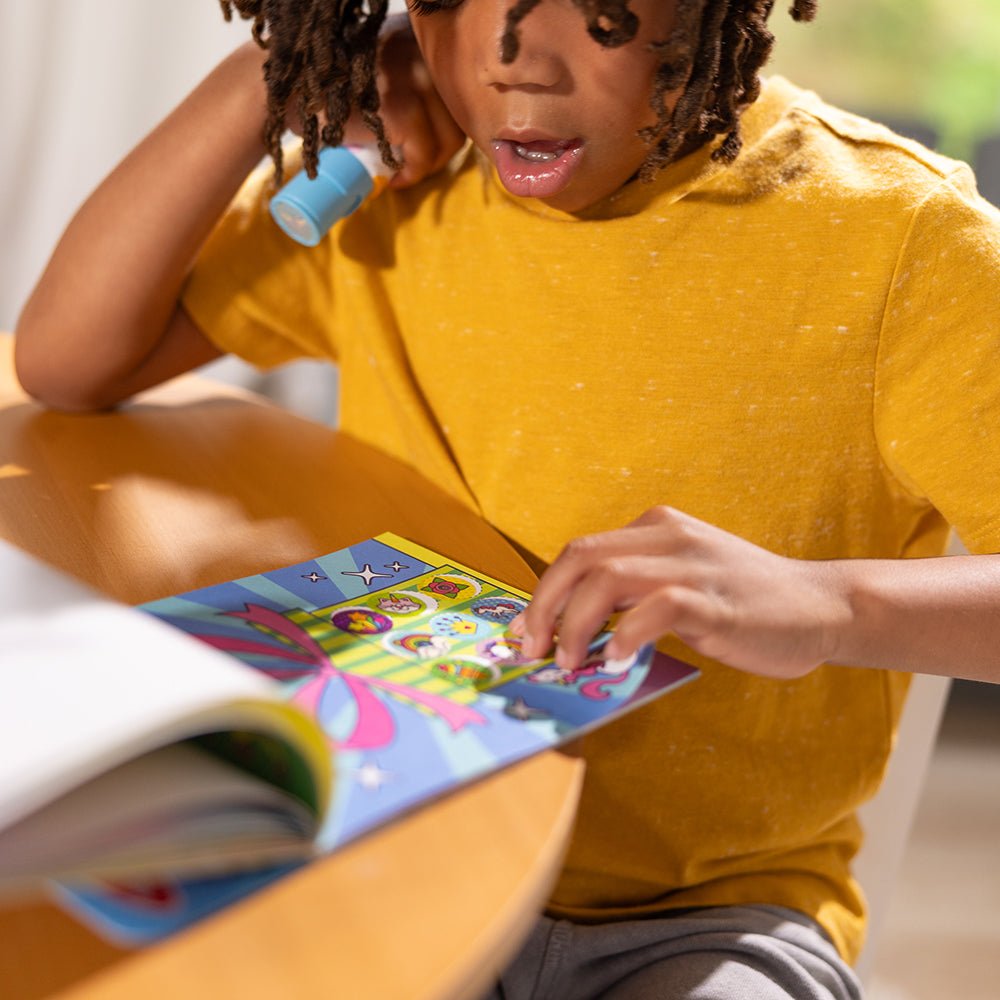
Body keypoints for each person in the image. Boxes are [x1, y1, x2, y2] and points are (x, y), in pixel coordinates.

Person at [14, 1, 1000, 996]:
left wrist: (828, 602)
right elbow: (67, 361)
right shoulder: (398, 190)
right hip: (393, 859)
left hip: (708, 915)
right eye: (448, 0)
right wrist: (272, 76)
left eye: (593, 8)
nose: (509, 62)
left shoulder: (903, 239)